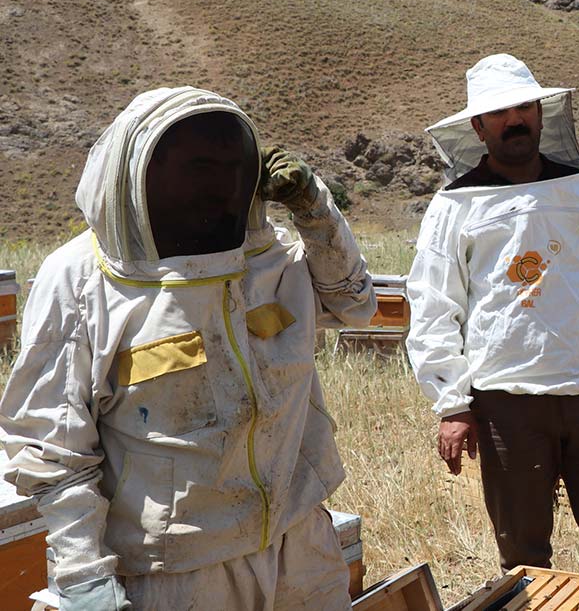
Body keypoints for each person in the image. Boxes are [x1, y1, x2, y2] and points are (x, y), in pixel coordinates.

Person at [0, 87, 376, 610]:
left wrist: (316, 210)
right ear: (141, 170)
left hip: (300, 542)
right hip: (175, 572)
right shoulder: (83, 280)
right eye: (199, 166)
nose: (219, 185)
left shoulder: (270, 258)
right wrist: (84, 576)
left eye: (232, 167)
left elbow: (356, 306)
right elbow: (54, 445)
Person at [406, 53, 579, 579]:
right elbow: (433, 307)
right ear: (478, 126)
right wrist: (452, 404)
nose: (514, 120)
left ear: (542, 114)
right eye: (499, 113)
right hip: (508, 407)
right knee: (524, 560)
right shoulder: (456, 206)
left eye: (524, 107)